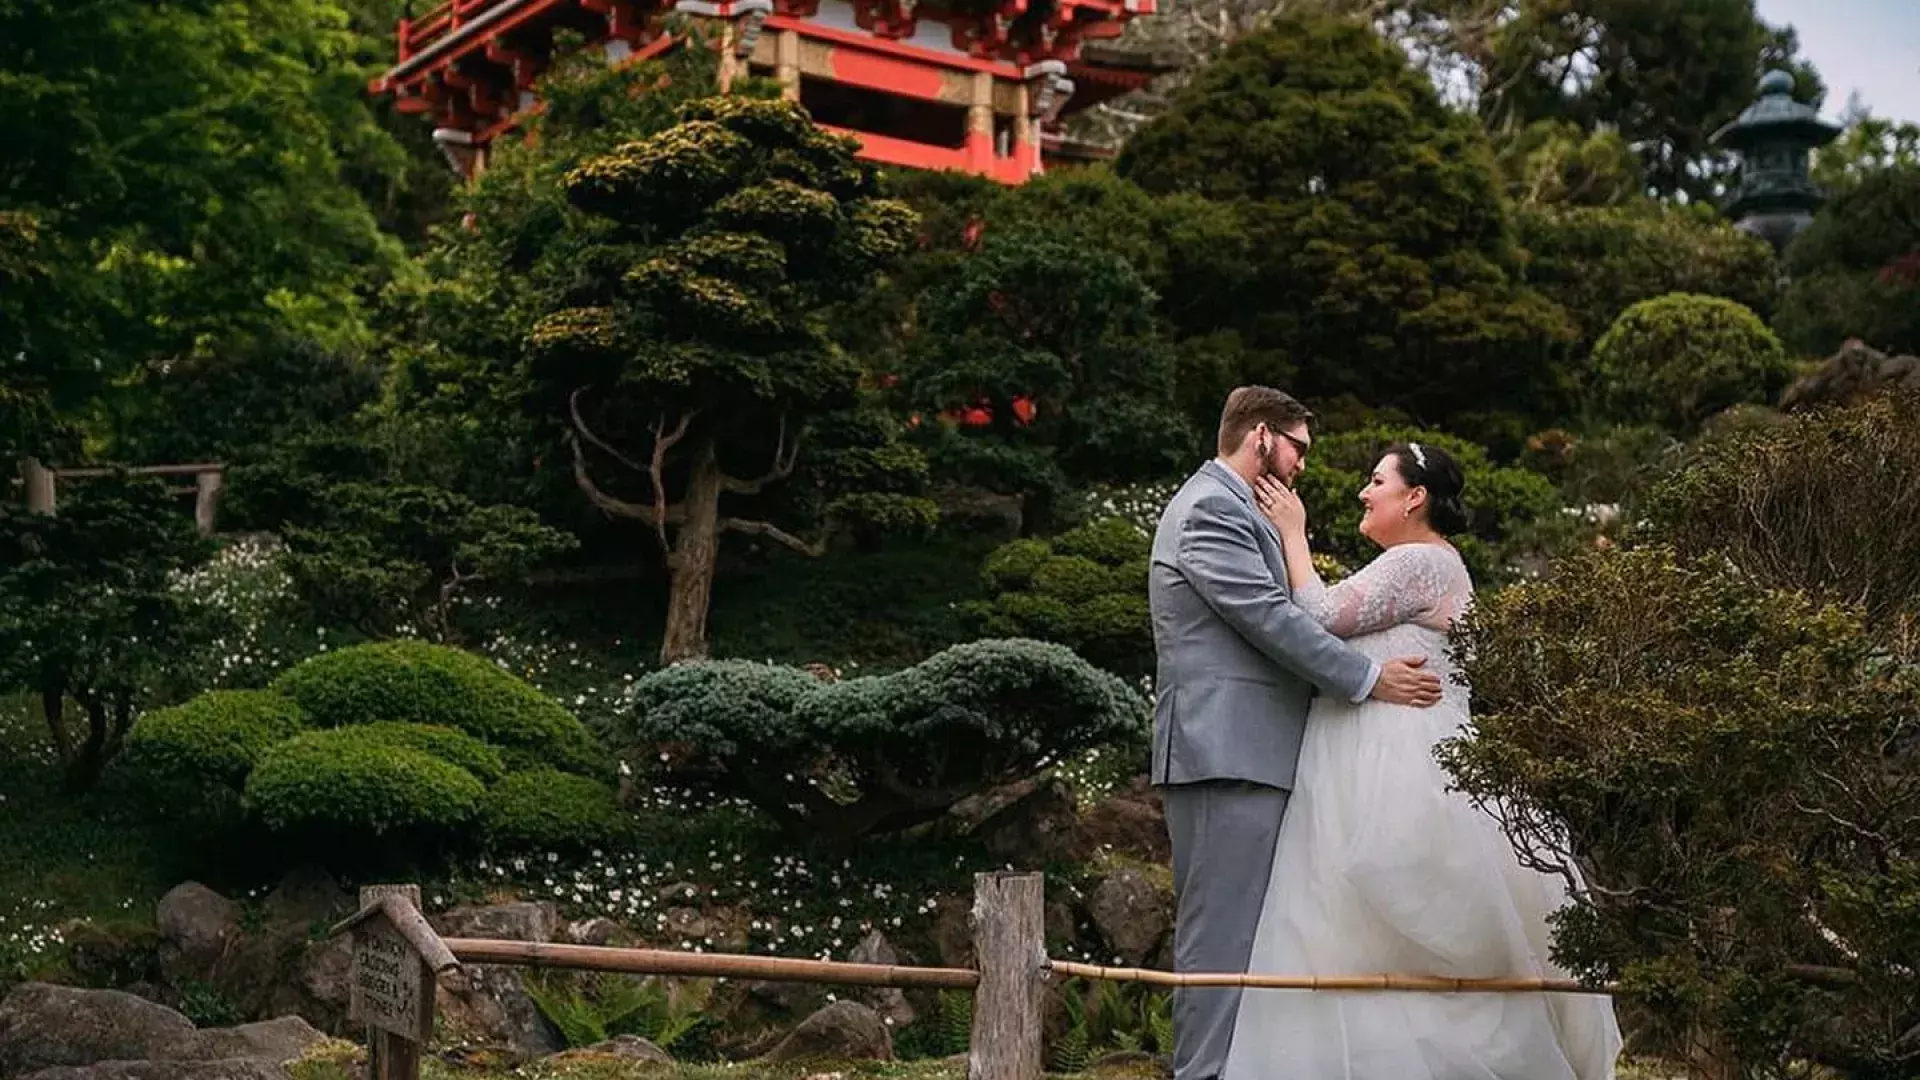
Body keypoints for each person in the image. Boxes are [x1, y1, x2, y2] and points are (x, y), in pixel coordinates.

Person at [1222, 440, 1621, 1079]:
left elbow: (1321, 616)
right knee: (1345, 930)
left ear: (1416, 497)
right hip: (1362, 758)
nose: (1363, 491)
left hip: (1396, 765)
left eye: (1376, 480)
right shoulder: (1421, 563)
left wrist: (1293, 533)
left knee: (1396, 926)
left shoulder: (1421, 561)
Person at [1148, 386, 1444, 1080]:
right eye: (1297, 448)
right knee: (1219, 942)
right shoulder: (1212, 510)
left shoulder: (1231, 505)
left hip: (1245, 751)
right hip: (1225, 753)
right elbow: (1271, 620)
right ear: (1259, 437)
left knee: (1244, 938)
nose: (1303, 465)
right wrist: (1370, 680)